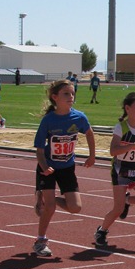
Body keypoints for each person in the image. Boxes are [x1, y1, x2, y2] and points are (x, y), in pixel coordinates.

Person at [33, 80, 96, 257]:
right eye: (66, 94)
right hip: (49, 167)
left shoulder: (79, 117)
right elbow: (39, 149)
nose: (71, 97)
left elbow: (89, 133)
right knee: (51, 207)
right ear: (55, 97)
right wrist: (44, 167)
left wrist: (92, 155)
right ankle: (40, 240)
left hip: (67, 167)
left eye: (72, 93)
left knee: (75, 207)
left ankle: (46, 200)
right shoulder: (49, 120)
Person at [94, 91, 135, 249]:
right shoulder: (120, 128)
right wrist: (133, 146)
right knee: (118, 208)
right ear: (127, 108)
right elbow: (113, 151)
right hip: (121, 170)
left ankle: (128, 200)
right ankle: (102, 231)